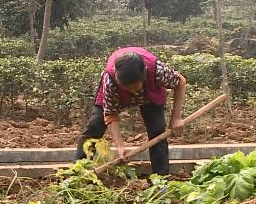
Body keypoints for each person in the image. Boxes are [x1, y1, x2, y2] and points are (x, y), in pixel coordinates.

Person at [77, 47, 187, 176]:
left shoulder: (157, 71)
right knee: (94, 127)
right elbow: (111, 113)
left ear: (143, 76)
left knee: (157, 131)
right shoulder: (110, 80)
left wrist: (176, 118)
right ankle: (79, 172)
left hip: (149, 95)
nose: (132, 91)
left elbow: (180, 82)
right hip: (116, 94)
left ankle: (160, 178)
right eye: (127, 87)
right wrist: (120, 146)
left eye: (134, 86)